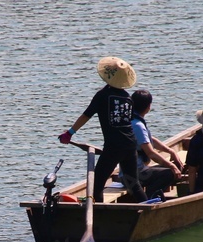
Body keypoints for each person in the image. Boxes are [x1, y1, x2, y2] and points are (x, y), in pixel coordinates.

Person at [58, 57, 147, 203]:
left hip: (114, 147)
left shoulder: (102, 95)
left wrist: (69, 133)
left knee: (97, 184)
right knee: (133, 183)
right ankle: (148, 209)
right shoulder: (128, 98)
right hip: (131, 145)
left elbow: (87, 115)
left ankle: (98, 214)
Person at [130, 89, 183, 200]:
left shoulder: (133, 120)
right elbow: (151, 153)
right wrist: (171, 166)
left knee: (176, 166)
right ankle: (150, 197)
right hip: (136, 174)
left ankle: (154, 194)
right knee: (170, 172)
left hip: (138, 170)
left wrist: (170, 151)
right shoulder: (138, 125)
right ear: (148, 106)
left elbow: (150, 140)